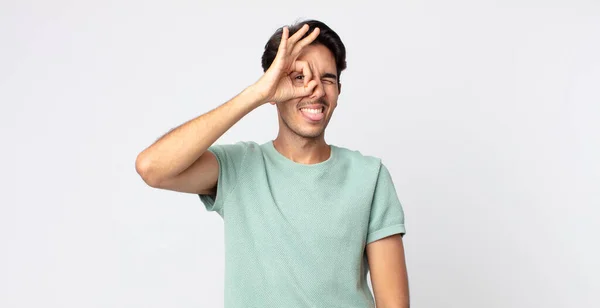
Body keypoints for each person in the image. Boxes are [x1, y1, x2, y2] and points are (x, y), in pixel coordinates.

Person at [135, 19, 409, 308]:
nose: (315, 90)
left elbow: (394, 304)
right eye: (299, 77)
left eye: (327, 79)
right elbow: (151, 167)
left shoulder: (369, 176)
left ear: (338, 91)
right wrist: (256, 94)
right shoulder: (239, 167)